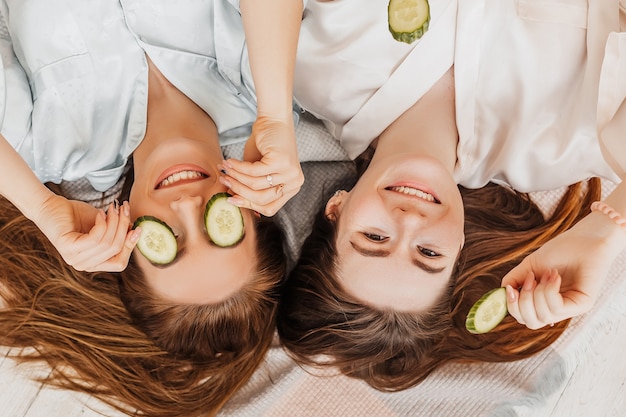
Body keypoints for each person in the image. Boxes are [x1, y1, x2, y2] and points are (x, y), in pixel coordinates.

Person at [277, 0, 626, 391]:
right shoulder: (551, 151)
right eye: (428, 254)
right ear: (459, 247)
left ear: (336, 209)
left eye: (374, 238)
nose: (410, 221)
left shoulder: (317, 73)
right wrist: (602, 233)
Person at [0, 0, 304, 416]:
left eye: (169, 242)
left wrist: (40, 206)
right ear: (254, 212)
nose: (185, 205)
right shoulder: (262, 88)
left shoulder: (48, 147)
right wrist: (275, 115)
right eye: (220, 228)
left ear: (129, 242)